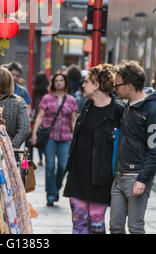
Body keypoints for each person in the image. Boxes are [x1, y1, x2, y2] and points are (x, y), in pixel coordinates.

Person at [63, 64, 124, 234]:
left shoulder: (118, 112)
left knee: (96, 226)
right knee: (78, 225)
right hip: (78, 177)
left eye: (87, 81)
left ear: (97, 85)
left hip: (100, 180)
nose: (83, 85)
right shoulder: (86, 107)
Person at [110, 60, 156, 234]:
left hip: (136, 176)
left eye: (118, 85)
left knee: (135, 227)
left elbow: (154, 149)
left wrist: (143, 179)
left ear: (129, 85)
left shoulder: (151, 109)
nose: (115, 88)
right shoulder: (128, 106)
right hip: (119, 176)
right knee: (115, 226)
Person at [31, 72, 78, 206]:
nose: (59, 83)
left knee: (63, 167)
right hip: (50, 137)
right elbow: (40, 116)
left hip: (66, 136)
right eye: (56, 81)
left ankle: (56, 188)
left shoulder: (71, 100)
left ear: (65, 83)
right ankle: (50, 194)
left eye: (61, 81)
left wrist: (75, 137)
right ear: (53, 83)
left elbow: (73, 119)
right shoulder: (46, 98)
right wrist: (34, 133)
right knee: (50, 166)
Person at [0, 67, 30, 149]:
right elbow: (24, 129)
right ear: (10, 83)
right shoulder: (19, 103)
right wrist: (12, 147)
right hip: (10, 154)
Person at [32, 72, 50, 165]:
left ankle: (40, 159)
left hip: (38, 114)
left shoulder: (35, 90)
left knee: (39, 137)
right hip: (46, 116)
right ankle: (46, 156)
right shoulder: (48, 90)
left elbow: (35, 103)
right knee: (45, 137)